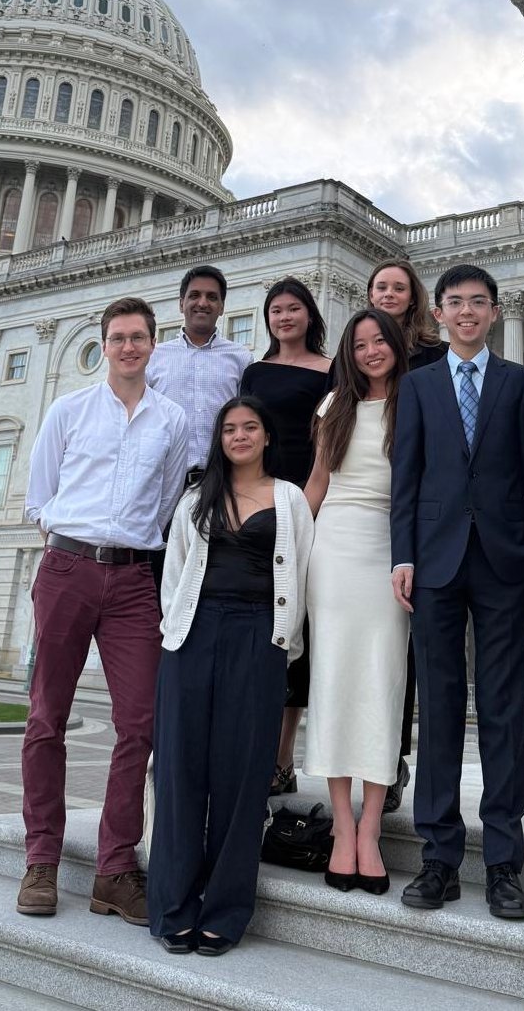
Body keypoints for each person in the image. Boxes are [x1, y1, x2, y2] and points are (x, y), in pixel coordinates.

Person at [18, 296, 188, 924]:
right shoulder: (68, 412)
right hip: (67, 568)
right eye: (117, 338)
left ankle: (116, 868)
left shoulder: (172, 422)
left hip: (135, 579)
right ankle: (41, 858)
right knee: (46, 719)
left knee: (140, 723)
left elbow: (168, 499)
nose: (128, 347)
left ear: (152, 343)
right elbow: (40, 498)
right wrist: (72, 555)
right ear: (103, 345)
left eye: (138, 337)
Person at [391, 263, 524, 920]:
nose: (465, 312)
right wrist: (402, 556)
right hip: (434, 564)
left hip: (505, 563)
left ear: (491, 312)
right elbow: (408, 475)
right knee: (440, 708)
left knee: (505, 710)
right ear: (439, 315)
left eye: (476, 303)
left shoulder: (520, 383)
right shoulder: (420, 386)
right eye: (453, 303)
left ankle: (505, 863)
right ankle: (439, 858)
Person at [147, 396, 314, 956]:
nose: (239, 436)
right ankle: (174, 906)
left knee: (243, 780)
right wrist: (177, 632)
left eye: (250, 427)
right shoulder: (197, 497)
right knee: (180, 771)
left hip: (258, 638)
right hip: (193, 636)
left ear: (267, 436)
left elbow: (305, 574)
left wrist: (283, 640)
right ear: (220, 439)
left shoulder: (289, 499)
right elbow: (173, 574)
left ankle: (224, 910)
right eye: (230, 429)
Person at [303, 308, 410, 895]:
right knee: (334, 682)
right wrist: (286, 542)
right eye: (360, 343)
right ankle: (342, 826)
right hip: (334, 550)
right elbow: (317, 484)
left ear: (395, 344)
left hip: (390, 552)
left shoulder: (414, 402)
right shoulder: (331, 406)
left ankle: (373, 826)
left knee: (382, 685)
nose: (371, 351)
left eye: (379, 341)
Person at [240, 277, 331, 795]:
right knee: (262, 626)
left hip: (306, 500)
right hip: (258, 498)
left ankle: (282, 758)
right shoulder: (254, 371)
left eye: (293, 308)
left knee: (297, 631)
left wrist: (307, 508)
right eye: (275, 310)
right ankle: (255, 749)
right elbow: (245, 433)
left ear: (309, 315)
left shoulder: (329, 370)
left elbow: (327, 443)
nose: (284, 317)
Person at [365, 258, 448, 811]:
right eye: (381, 287)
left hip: (419, 509)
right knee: (359, 649)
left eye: (399, 287)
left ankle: (392, 758)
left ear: (413, 295)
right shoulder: (359, 350)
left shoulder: (435, 355)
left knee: (405, 648)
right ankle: (364, 757)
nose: (390, 294)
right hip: (362, 514)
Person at [147, 264, 253, 486]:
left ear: (222, 306)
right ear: (181, 303)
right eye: (194, 295)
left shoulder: (241, 358)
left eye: (212, 297)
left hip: (222, 481)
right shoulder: (154, 357)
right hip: (164, 481)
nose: (203, 303)